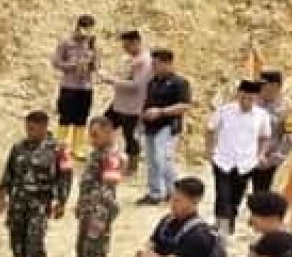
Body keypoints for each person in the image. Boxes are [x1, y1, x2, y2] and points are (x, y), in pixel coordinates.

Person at [0, 110, 73, 257]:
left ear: (44, 127)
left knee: (35, 239)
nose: (29, 131)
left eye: (33, 128)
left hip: (40, 203)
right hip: (18, 203)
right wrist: (2, 196)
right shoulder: (18, 147)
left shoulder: (57, 149)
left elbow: (65, 177)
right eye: (27, 127)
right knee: (16, 239)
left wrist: (61, 201)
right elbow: (9, 173)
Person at [62, 117, 124, 257]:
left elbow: (108, 186)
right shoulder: (97, 152)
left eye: (95, 135)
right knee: (82, 243)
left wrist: (95, 209)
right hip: (89, 206)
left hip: (100, 209)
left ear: (108, 132)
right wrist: (81, 204)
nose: (92, 139)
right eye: (91, 135)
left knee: (96, 244)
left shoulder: (111, 156)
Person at [207, 79, 271, 235]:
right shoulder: (225, 110)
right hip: (223, 159)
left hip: (246, 162)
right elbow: (210, 129)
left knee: (235, 197)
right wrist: (209, 151)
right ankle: (222, 227)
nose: (246, 102)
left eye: (250, 99)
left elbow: (265, 137)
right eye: (243, 97)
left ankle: (228, 222)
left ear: (256, 98)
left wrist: (261, 154)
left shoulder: (262, 115)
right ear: (238, 95)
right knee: (222, 194)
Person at [138, 49, 192, 206]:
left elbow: (184, 105)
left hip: (168, 126)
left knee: (163, 159)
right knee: (151, 160)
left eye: (156, 64)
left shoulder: (179, 83)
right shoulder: (153, 82)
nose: (153, 67)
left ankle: (173, 192)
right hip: (150, 126)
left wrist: (161, 112)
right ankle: (155, 193)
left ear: (167, 63)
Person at [102, 29, 152, 174]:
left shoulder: (144, 61)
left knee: (130, 135)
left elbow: (137, 85)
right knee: (104, 125)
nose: (125, 50)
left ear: (135, 43)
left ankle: (132, 166)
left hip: (133, 105)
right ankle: (107, 156)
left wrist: (112, 81)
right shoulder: (130, 59)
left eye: (127, 46)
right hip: (119, 103)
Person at [52, 14, 100, 160]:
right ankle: (60, 146)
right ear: (78, 27)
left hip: (85, 87)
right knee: (66, 116)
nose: (86, 33)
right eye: (85, 29)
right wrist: (73, 65)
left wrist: (92, 64)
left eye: (90, 29)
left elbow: (98, 65)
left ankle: (77, 148)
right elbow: (56, 62)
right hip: (69, 86)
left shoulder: (92, 44)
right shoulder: (66, 42)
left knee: (82, 118)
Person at [252, 70, 292, 194]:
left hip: (267, 161)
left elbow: (291, 137)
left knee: (261, 194)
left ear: (276, 86)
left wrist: (274, 159)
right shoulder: (250, 102)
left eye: (263, 84)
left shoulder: (289, 109)